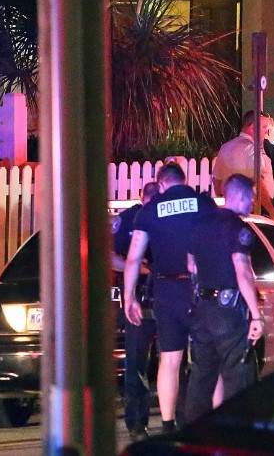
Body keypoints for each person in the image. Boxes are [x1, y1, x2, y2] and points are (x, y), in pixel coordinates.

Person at [123, 163, 216, 433]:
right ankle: (203, 420)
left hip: (166, 291)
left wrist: (130, 297)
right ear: (183, 180)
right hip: (199, 290)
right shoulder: (204, 204)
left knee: (170, 359)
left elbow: (133, 259)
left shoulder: (149, 210)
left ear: (160, 184)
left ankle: (167, 424)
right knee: (204, 357)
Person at [183, 174, 264, 423]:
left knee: (201, 377)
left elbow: (191, 266)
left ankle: (192, 436)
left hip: (202, 309)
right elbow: (243, 273)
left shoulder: (198, 225)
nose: (252, 203)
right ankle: (235, 437)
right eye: (251, 197)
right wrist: (256, 315)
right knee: (238, 377)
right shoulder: (238, 229)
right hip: (228, 313)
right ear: (240, 195)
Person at [111, 182, 160, 441]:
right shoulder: (128, 220)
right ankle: (136, 423)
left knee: (171, 363)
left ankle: (172, 420)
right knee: (136, 365)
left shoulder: (167, 219)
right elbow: (110, 256)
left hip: (164, 299)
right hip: (138, 300)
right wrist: (142, 269)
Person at [212, 110, 274, 207]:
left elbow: (217, 182)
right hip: (254, 209)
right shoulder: (252, 149)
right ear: (253, 128)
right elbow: (259, 184)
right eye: (264, 127)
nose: (267, 132)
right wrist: (272, 212)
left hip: (230, 207)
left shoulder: (225, 147)